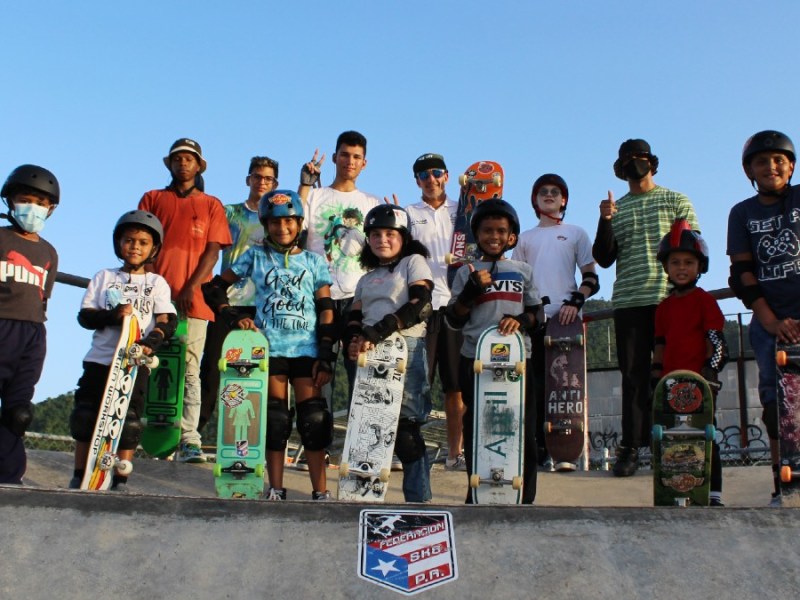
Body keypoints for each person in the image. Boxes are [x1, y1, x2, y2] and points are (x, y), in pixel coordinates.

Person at [202, 190, 336, 500]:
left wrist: (327, 353)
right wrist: (232, 317)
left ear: (299, 223)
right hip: (269, 350)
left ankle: (321, 492)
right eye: (275, 223)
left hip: (306, 349)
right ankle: (275, 488)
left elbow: (327, 307)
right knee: (275, 421)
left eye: (289, 221)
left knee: (313, 421)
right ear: (266, 224)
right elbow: (214, 289)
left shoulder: (314, 262)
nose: (282, 228)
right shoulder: (255, 255)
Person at [593, 138, 699, 477]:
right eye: (628, 161)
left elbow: (692, 245)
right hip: (628, 300)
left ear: (651, 162)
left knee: (674, 374)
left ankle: (672, 445)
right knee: (633, 378)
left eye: (640, 158)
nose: (635, 165)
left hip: (670, 298)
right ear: (620, 168)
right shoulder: (616, 208)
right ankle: (630, 447)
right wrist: (605, 220)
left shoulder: (675, 199)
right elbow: (604, 258)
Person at [139, 138, 232, 463]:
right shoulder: (153, 198)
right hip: (154, 299)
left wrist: (192, 287)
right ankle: (149, 434)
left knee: (190, 370)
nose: (183, 163)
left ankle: (189, 439)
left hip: (195, 302)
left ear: (199, 165)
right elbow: (143, 242)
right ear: (170, 163)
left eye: (189, 159)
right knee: (150, 365)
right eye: (177, 158)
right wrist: (157, 286)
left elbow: (212, 251)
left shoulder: (211, 204)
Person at [69, 211, 177, 491]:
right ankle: (80, 474)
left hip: (134, 363)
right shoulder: (104, 277)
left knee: (127, 423)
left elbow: (168, 321)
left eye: (143, 242)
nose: (135, 247)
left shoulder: (157, 283)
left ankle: (120, 479)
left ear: (153, 248)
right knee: (85, 417)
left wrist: (150, 342)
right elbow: (85, 316)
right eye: (129, 240)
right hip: (100, 359)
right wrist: (113, 316)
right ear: (118, 243)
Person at [446, 199, 541, 503]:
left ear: (512, 237)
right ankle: (476, 491)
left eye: (502, 231)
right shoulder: (465, 272)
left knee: (522, 427)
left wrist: (521, 319)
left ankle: (525, 496)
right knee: (476, 425)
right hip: (474, 357)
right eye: (487, 230)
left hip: (517, 360)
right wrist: (471, 291)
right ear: (477, 234)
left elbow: (538, 317)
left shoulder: (523, 270)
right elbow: (454, 318)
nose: (494, 236)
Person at [727, 129, 800, 506]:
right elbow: (741, 274)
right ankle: (782, 483)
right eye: (761, 161)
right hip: (770, 321)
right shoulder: (742, 213)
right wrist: (770, 320)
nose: (770, 167)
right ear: (749, 170)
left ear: (790, 165)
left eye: (778, 160)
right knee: (777, 406)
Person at [345, 204, 435, 502]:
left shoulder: (413, 262)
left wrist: (378, 331)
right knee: (371, 423)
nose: (382, 239)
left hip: (405, 347)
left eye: (389, 233)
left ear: (403, 237)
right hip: (372, 353)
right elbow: (355, 316)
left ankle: (418, 500)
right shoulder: (366, 279)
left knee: (407, 429)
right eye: (375, 234)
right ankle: (364, 496)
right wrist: (355, 338)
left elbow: (420, 304)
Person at [512, 174, 599, 471]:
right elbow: (517, 281)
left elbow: (591, 277)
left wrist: (576, 302)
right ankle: (537, 449)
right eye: (543, 192)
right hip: (536, 316)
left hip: (566, 318)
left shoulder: (576, 232)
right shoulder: (525, 238)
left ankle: (566, 452)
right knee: (535, 385)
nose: (549, 195)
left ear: (564, 200)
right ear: (535, 201)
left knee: (565, 387)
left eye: (555, 192)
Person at [198, 156, 279, 433]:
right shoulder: (229, 212)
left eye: (268, 179)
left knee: (255, 374)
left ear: (275, 184)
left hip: (262, 307)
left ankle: (253, 439)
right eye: (257, 177)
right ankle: (194, 433)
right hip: (227, 303)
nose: (262, 182)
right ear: (248, 179)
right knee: (211, 369)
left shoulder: (276, 219)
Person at [651, 219, 727, 506]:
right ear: (666, 267)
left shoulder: (704, 300)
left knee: (707, 437)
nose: (682, 268)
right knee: (671, 440)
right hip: (670, 385)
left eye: (688, 262)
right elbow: (660, 346)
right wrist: (654, 378)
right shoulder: (664, 308)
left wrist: (712, 373)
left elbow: (716, 340)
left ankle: (713, 493)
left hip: (700, 384)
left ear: (700, 267)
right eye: (675, 262)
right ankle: (676, 490)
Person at [406, 153, 466, 471]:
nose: (431, 179)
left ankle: (456, 454)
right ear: (417, 180)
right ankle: (412, 454)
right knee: (417, 385)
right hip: (423, 308)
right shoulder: (408, 213)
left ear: (446, 175)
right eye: (424, 174)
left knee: (456, 386)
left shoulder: (464, 210)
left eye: (437, 173)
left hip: (456, 305)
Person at [0, 165, 60, 484]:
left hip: (33, 333)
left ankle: (9, 476)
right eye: (26, 199)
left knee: (18, 412)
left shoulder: (49, 252)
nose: (33, 208)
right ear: (10, 200)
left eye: (40, 202)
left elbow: (43, 298)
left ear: (50, 209)